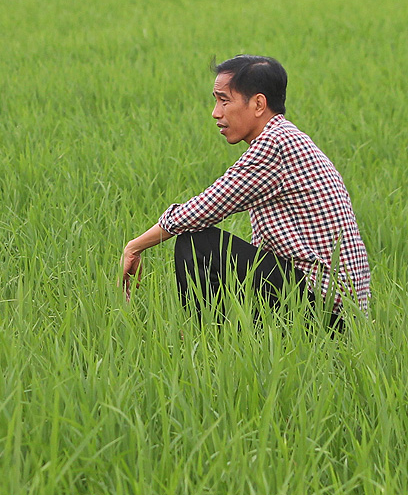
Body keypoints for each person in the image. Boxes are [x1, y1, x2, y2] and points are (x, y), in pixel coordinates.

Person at [121, 55, 370, 324]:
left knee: (196, 243)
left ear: (258, 104)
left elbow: (204, 208)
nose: (216, 112)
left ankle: (207, 341)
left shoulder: (275, 145)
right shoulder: (287, 137)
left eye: (224, 100)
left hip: (328, 312)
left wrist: (134, 247)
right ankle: (240, 340)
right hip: (335, 307)